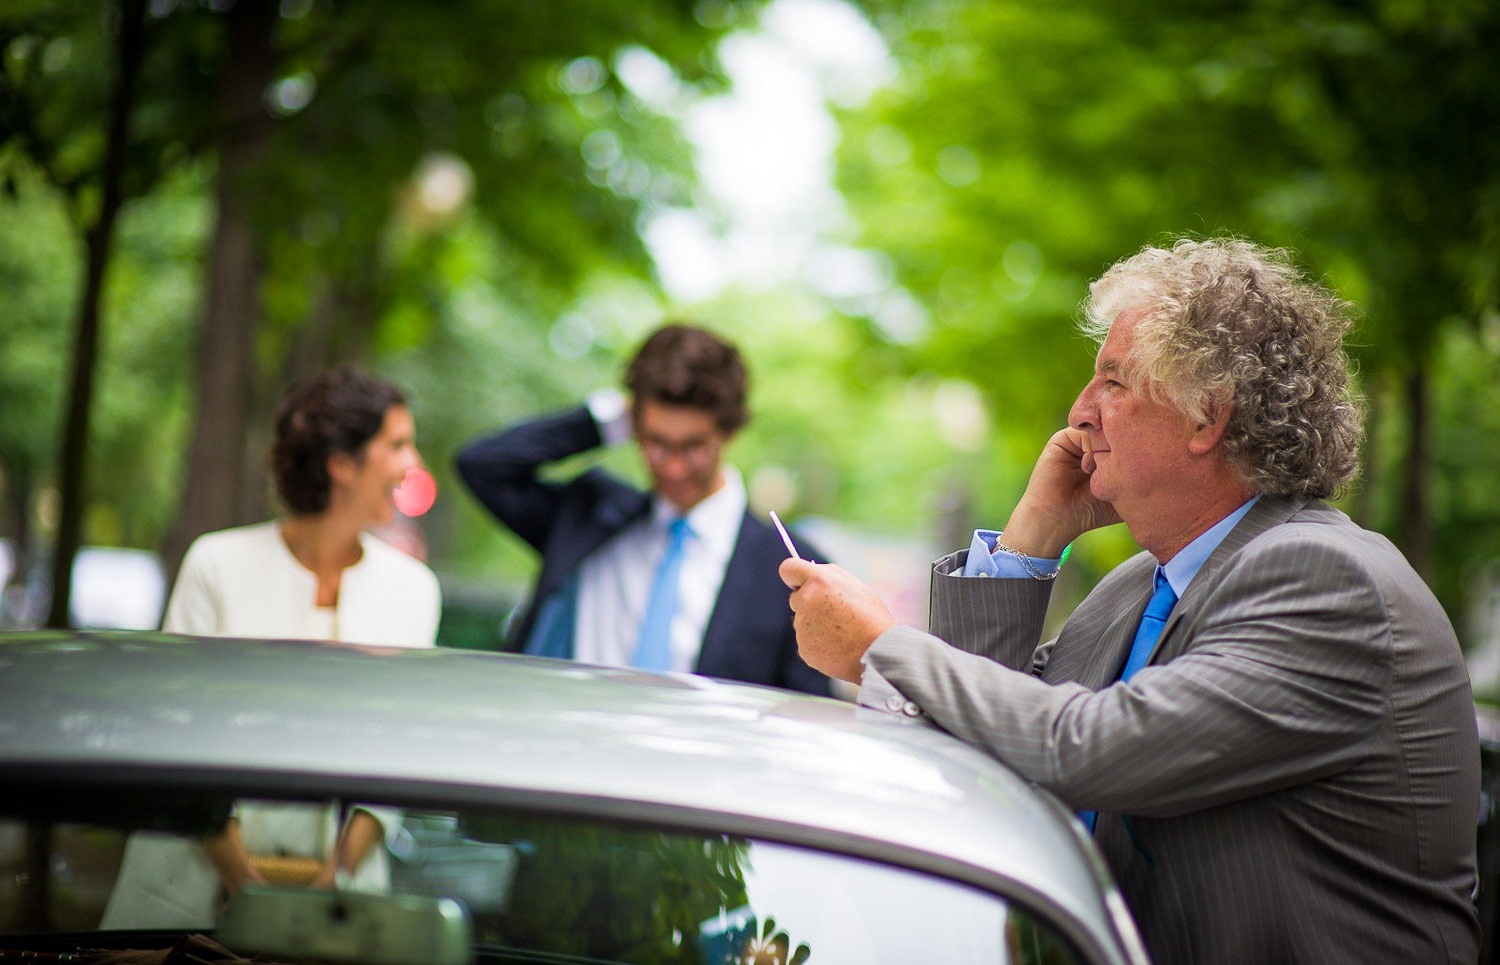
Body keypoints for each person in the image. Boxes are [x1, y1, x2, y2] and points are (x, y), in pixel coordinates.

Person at [780, 239, 1479, 964]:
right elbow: (982, 739)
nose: (1079, 412)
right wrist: (1032, 538)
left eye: (1112, 382)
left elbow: (1088, 747)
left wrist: (878, 648)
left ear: (1207, 416)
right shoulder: (1138, 585)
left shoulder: (1328, 575)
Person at [101, 366, 441, 928]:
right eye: (398, 444)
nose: (413, 464)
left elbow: (401, 751)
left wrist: (337, 874)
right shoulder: (217, 565)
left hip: (343, 905)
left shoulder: (414, 590)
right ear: (341, 464)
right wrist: (249, 888)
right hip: (189, 896)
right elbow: (176, 739)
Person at [456, 324, 829, 695]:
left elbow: (808, 714)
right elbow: (483, 466)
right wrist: (602, 423)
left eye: (694, 446)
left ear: (728, 432)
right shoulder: (587, 517)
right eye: (656, 443)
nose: (673, 467)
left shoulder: (792, 569)